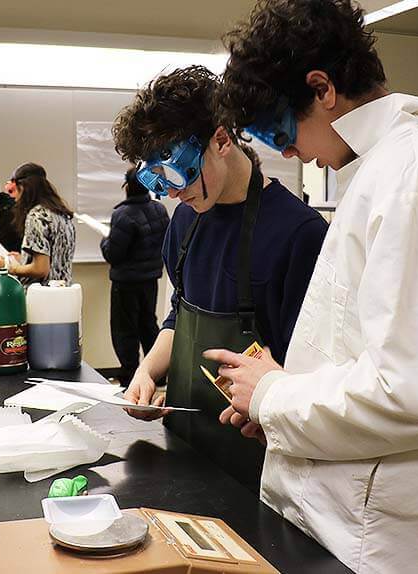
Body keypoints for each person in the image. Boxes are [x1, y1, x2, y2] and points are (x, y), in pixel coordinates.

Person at [212, 1, 418, 571]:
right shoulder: (379, 173)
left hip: (384, 544)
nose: (285, 150)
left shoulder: (414, 177)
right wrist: (277, 405)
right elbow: (366, 352)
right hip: (344, 524)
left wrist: (275, 396)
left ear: (322, 89)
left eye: (279, 129)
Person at [112, 65, 328, 492]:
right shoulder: (186, 221)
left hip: (260, 470)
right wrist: (147, 373)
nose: (172, 193)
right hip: (184, 453)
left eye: (179, 174)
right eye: (157, 179)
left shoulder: (300, 234)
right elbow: (179, 316)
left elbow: (311, 375)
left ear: (222, 140)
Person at [100, 166, 170, 385]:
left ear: (127, 187)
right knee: (148, 325)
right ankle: (157, 375)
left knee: (124, 331)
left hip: (126, 283)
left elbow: (113, 254)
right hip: (150, 279)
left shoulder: (122, 215)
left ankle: (130, 376)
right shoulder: (159, 210)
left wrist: (104, 242)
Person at [0, 163, 76, 285]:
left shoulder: (36, 216)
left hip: (41, 296)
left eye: (14, 190)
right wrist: (24, 259)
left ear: (23, 187)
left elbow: (40, 269)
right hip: (63, 294)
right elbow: (53, 261)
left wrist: (10, 267)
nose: (14, 197)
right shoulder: (62, 215)